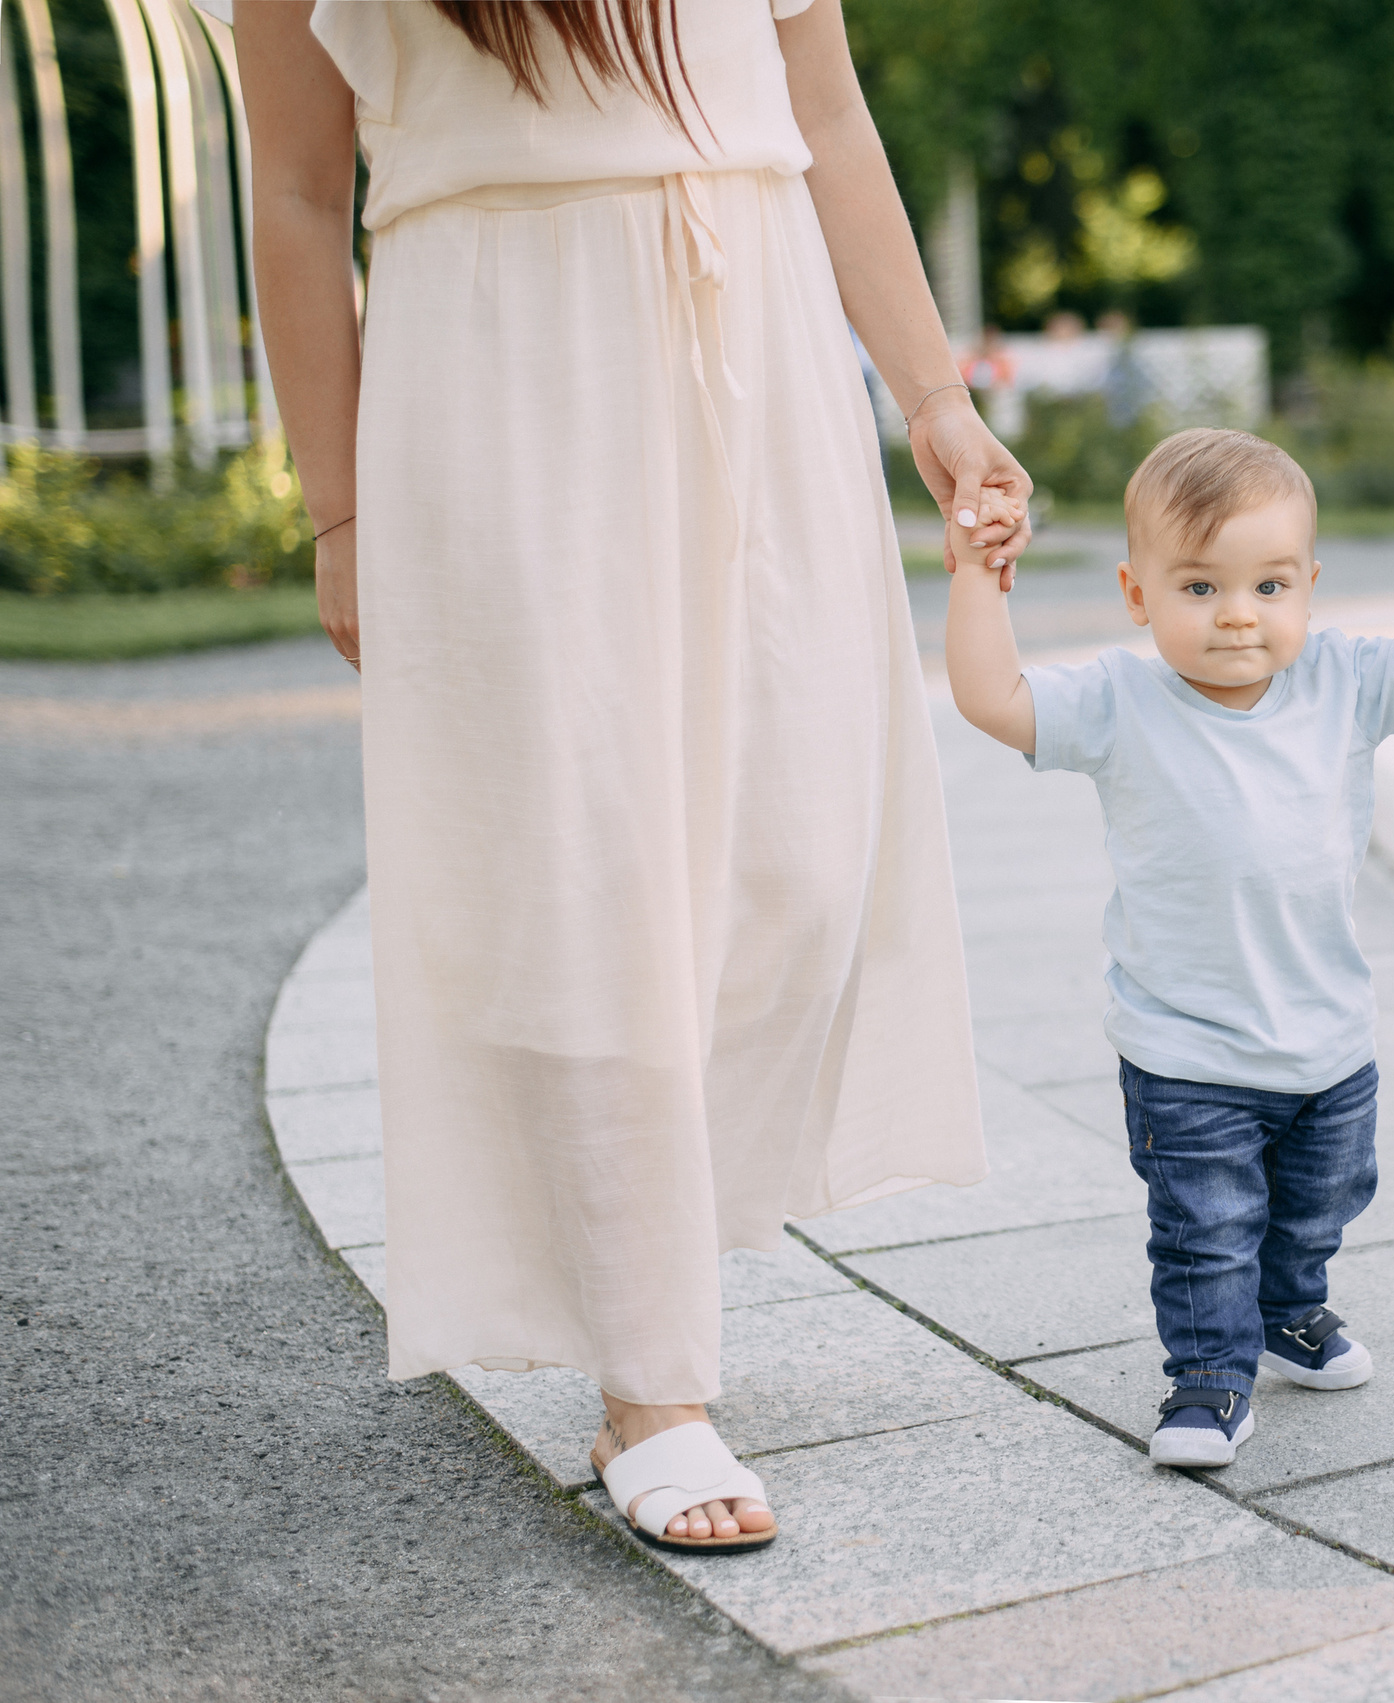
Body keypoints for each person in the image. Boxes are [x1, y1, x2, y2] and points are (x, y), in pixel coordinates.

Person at [232, 0, 1033, 1548]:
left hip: (763, 343)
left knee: (800, 863)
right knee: (593, 880)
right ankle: (648, 1381)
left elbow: (832, 112)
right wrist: (338, 512)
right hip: (498, 364)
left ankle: (638, 1224)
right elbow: (293, 190)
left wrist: (934, 398)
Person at [940, 428, 1394, 1467]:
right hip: (1184, 1052)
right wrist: (980, 578)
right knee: (1206, 1229)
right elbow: (992, 699)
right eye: (1199, 586)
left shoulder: (1341, 680)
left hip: (1328, 1041)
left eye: (1268, 584)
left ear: (1308, 586)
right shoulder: (1118, 700)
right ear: (1136, 591)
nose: (1238, 613)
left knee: (1318, 1205)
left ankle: (1291, 1308)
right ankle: (1207, 1376)